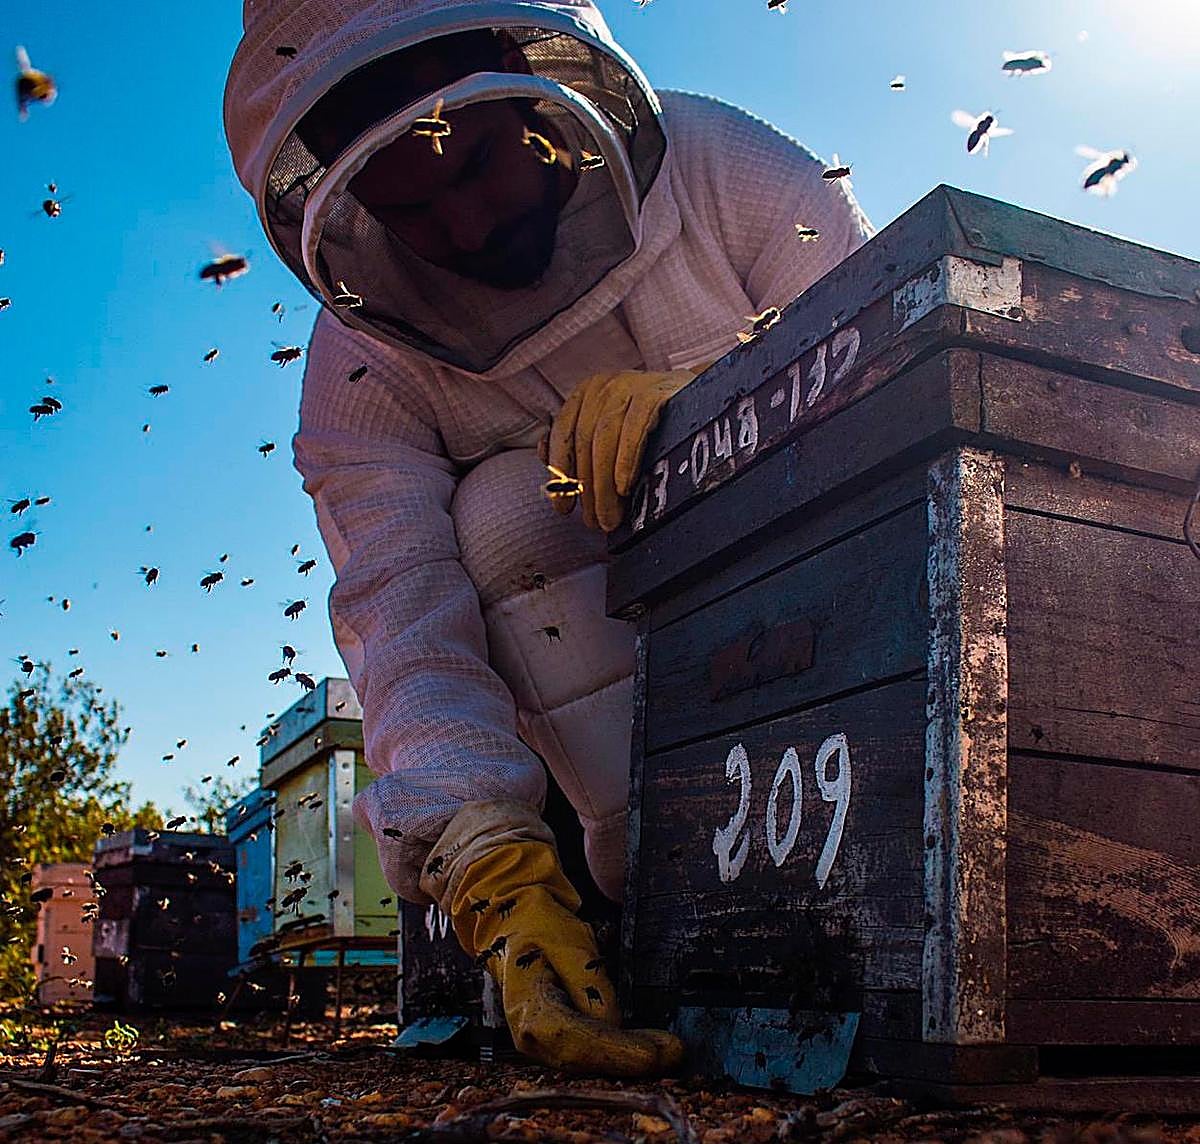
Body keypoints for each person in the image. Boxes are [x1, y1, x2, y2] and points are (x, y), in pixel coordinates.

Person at [223, 0, 873, 1075]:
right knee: (506, 515)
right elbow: (401, 619)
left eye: (479, 162)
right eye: (412, 205)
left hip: (831, 628)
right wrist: (487, 860)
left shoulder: (724, 166)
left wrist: (733, 395)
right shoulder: (359, 372)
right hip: (602, 725)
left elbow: (897, 353)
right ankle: (638, 901)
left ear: (532, 82)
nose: (467, 226)